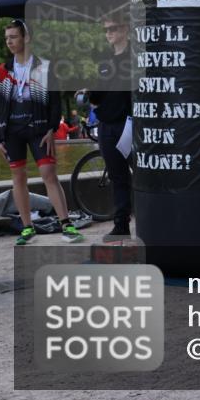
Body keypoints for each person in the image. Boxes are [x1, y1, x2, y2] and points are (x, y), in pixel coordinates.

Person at [0, 19, 84, 245]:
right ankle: (27, 228)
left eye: (13, 37)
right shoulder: (2, 71)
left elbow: (54, 101)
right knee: (18, 177)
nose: (9, 42)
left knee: (49, 175)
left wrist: (52, 128)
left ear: (26, 38)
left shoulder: (44, 67)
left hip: (38, 128)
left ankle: (67, 225)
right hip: (12, 131)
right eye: (7, 39)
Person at [84, 12, 134, 237]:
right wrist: (89, 94)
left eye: (113, 28)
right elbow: (98, 94)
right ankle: (121, 225)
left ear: (125, 29)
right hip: (107, 126)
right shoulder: (105, 61)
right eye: (106, 30)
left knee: (145, 176)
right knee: (118, 177)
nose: (109, 33)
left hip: (130, 124)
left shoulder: (136, 57)